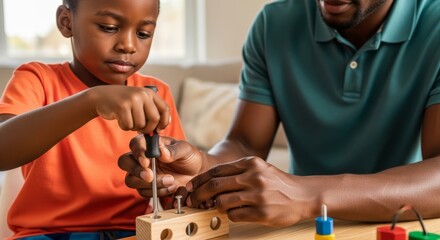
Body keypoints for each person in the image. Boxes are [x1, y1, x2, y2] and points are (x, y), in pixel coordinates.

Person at [118, 0, 440, 228]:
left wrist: (308, 195)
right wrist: (203, 168)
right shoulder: (274, 23)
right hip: (300, 227)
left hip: (401, 223)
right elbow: (244, 144)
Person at [0, 0, 186, 239]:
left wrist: (172, 184)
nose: (128, 45)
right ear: (66, 22)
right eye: (108, 27)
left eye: (143, 33)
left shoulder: (156, 94)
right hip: (48, 234)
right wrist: (91, 101)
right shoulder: (36, 79)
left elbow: (177, 181)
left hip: (134, 232)